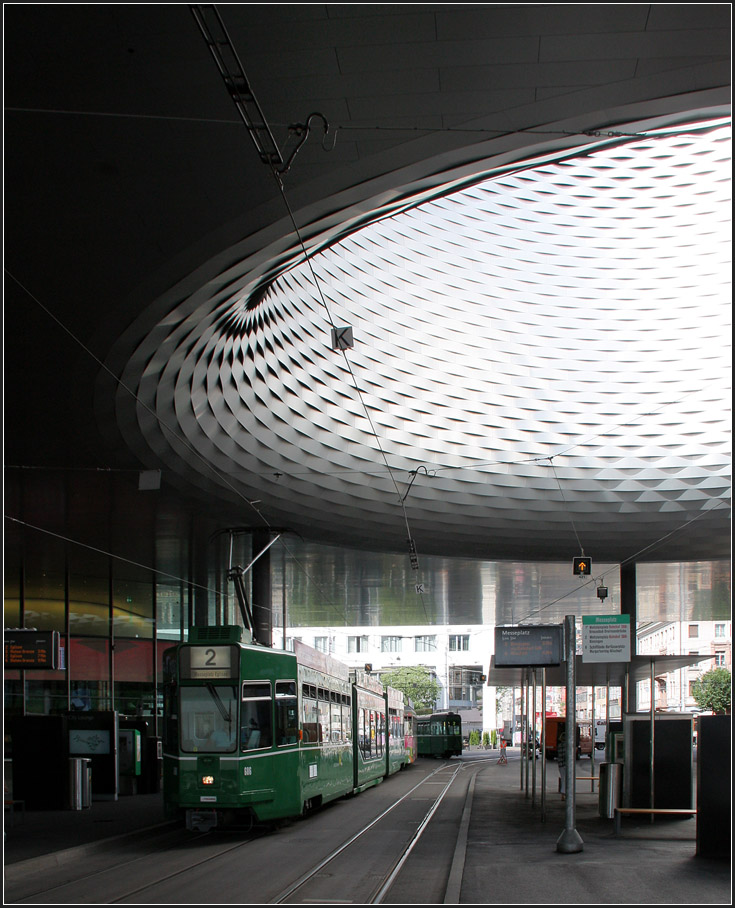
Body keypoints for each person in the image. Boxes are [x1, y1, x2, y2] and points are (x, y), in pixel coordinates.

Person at [557, 730, 567, 799]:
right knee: (567, 779)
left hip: (560, 764)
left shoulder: (559, 745)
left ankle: (563, 794)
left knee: (563, 778)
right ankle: (564, 793)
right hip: (566, 764)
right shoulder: (567, 745)